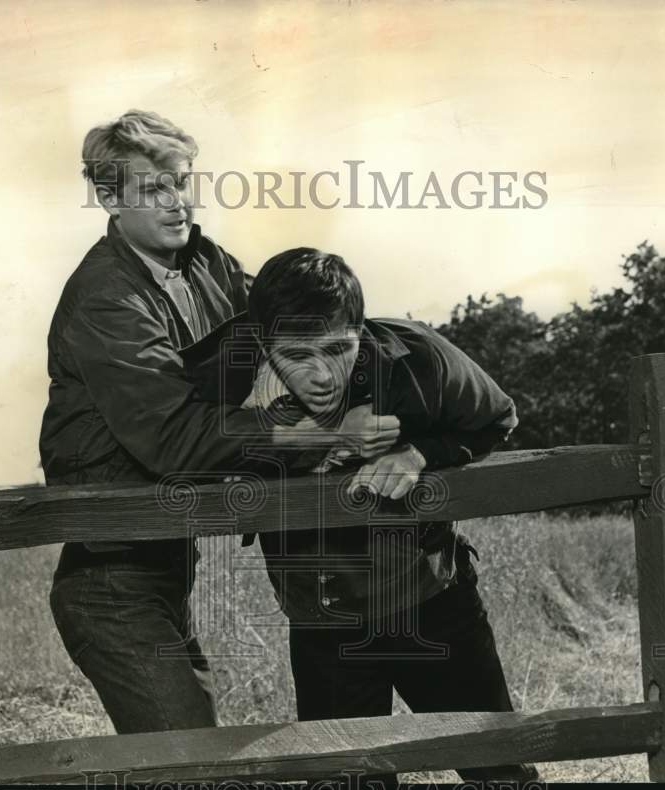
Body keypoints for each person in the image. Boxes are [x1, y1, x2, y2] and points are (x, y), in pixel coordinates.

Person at [39, 113, 397, 736]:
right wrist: (327, 436)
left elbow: (294, 328)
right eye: (153, 190)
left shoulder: (207, 263)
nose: (177, 203)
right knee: (186, 759)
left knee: (191, 752)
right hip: (110, 578)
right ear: (109, 198)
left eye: (182, 182)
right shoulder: (107, 297)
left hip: (167, 562)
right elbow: (174, 439)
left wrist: (398, 377)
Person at [180, 248, 539, 784]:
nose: (322, 375)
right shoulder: (219, 382)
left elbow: (496, 417)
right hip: (323, 623)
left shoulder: (417, 357)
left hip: (431, 603)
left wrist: (419, 454)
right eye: (298, 355)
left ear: (359, 328)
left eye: (337, 349)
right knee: (346, 780)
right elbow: (172, 446)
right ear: (262, 343)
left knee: (501, 771)